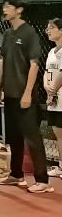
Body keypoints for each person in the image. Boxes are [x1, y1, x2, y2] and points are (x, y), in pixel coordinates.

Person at [0, 0, 51, 193]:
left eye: (9, 6)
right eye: (4, 6)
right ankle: (16, 175)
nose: (5, 9)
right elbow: (2, 62)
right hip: (9, 94)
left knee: (32, 138)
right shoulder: (8, 34)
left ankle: (42, 180)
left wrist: (27, 93)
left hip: (24, 95)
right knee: (14, 137)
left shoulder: (29, 33)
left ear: (19, 10)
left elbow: (34, 65)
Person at [44, 18, 62, 178]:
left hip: (59, 97)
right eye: (47, 28)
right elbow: (46, 73)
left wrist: (53, 92)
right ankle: (61, 166)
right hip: (54, 101)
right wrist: (47, 87)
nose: (48, 31)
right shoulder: (51, 52)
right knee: (58, 134)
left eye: (52, 27)